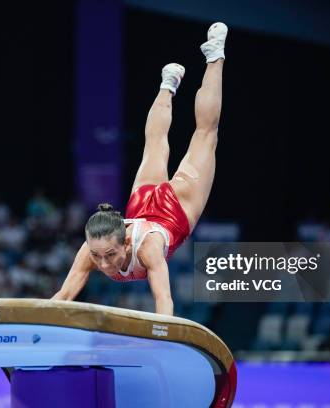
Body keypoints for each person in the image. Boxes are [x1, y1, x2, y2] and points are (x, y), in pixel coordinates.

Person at [53, 22, 227, 315]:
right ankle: (167, 85)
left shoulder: (147, 249)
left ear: (125, 243)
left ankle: (215, 56)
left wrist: (164, 344)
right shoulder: (91, 250)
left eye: (110, 254)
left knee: (205, 135)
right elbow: (62, 296)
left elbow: (164, 303)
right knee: (155, 144)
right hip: (142, 203)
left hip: (176, 210)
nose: (104, 264)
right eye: (98, 257)